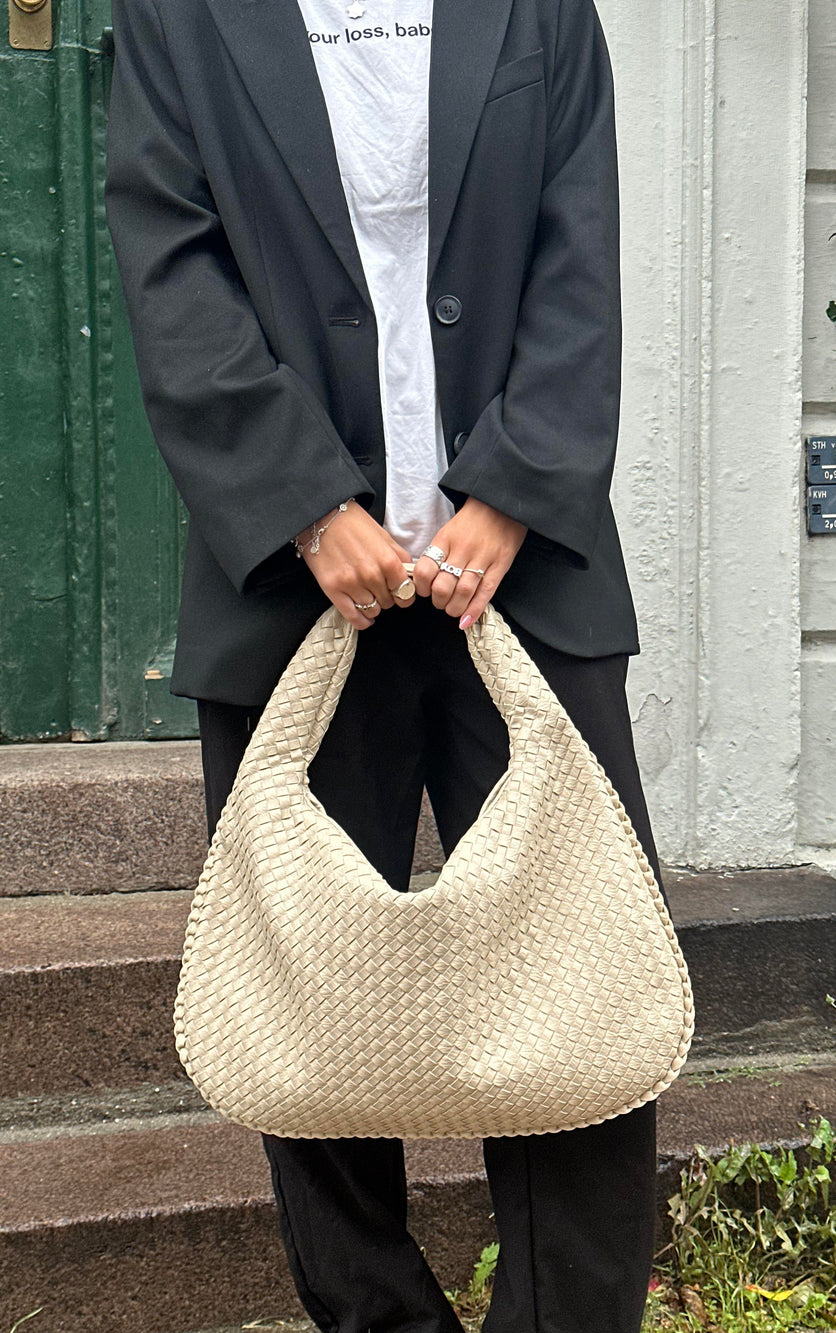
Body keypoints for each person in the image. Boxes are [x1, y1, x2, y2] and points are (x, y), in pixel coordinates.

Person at [105, 0, 669, 1329]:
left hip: (528, 579)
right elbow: (173, 274)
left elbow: (579, 251)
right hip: (290, 584)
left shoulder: (538, 9)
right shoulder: (178, 17)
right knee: (306, 1007)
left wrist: (514, 485)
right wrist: (306, 502)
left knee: (580, 980)